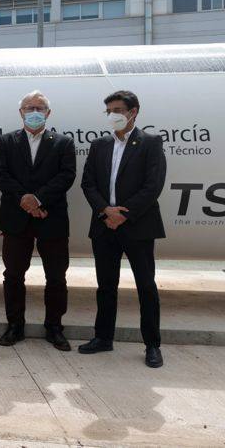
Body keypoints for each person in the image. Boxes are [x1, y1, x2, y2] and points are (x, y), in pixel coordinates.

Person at [79, 90, 167, 368]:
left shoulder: (150, 143)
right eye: (109, 111)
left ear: (133, 112)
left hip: (138, 226)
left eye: (118, 110)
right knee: (106, 286)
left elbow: (153, 186)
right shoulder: (99, 144)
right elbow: (88, 183)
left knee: (146, 286)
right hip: (104, 225)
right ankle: (103, 338)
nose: (113, 115)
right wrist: (106, 210)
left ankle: (152, 345)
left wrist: (123, 215)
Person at [0, 90, 77, 351]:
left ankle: (54, 327)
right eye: (29, 108)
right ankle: (15, 326)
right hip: (16, 220)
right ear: (21, 112)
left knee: (56, 277)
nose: (34, 112)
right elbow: (1, 176)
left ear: (48, 113)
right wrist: (25, 200)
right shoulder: (7, 141)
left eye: (39, 108)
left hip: (52, 218)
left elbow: (66, 176)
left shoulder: (63, 143)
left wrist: (38, 200)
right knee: (14, 275)